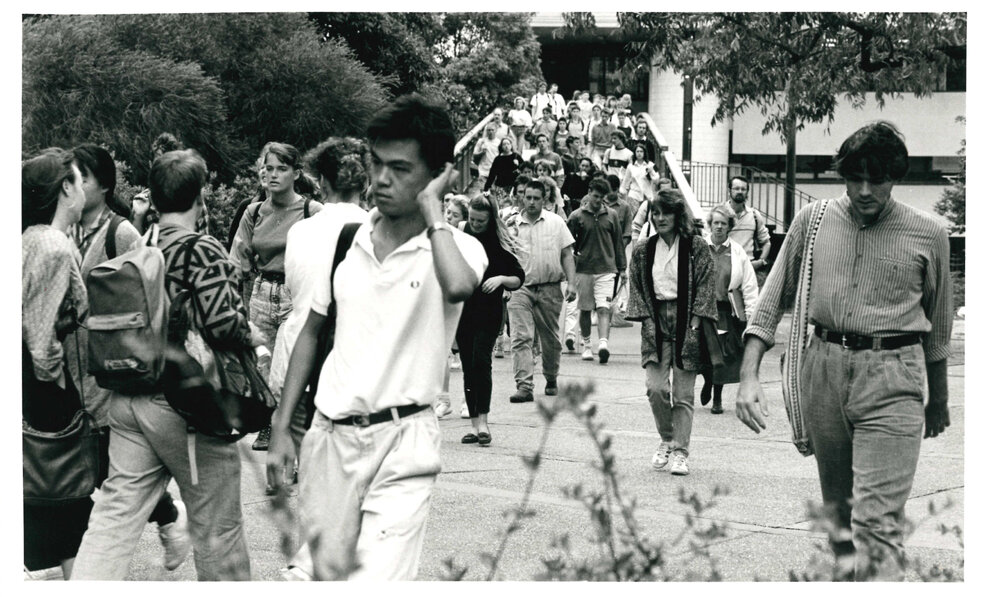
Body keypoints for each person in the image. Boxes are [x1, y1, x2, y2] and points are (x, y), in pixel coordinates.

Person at [266, 94, 487, 580]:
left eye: (400, 169)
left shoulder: (458, 248)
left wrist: (435, 213)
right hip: (329, 438)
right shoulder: (349, 239)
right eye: (376, 163)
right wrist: (283, 426)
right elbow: (312, 331)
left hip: (404, 441)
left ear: (436, 175)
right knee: (321, 577)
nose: (381, 179)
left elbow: (459, 286)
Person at [736, 122, 953, 580]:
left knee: (875, 527)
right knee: (840, 524)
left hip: (893, 378)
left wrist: (939, 401)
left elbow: (938, 329)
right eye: (854, 179)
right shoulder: (812, 222)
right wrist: (749, 376)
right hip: (825, 371)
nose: (864, 190)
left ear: (896, 176)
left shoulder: (928, 233)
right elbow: (771, 299)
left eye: (877, 179)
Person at [73, 149, 257, 580]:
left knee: (113, 519)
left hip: (127, 399)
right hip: (183, 407)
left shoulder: (143, 245)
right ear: (199, 197)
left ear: (153, 197)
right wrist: (255, 335)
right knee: (218, 529)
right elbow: (225, 324)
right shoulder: (203, 249)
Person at [65, 144, 190, 571]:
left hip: (112, 365)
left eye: (81, 177)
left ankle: (169, 517)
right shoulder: (65, 230)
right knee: (97, 468)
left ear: (103, 184)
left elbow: (145, 302)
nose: (74, 186)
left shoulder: (122, 233)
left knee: (109, 468)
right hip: (73, 365)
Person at [270, 136, 370, 460]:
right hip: (355, 370)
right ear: (366, 183)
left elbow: (295, 291)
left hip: (299, 362)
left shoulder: (299, 233)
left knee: (310, 475)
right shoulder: (377, 231)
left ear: (322, 182)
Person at [22, 148, 91, 579]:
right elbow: (41, 331)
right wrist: (56, 394)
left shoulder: (30, 237)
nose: (84, 188)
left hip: (34, 382)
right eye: (80, 181)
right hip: (43, 387)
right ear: (66, 188)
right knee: (67, 497)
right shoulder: (52, 245)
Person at [230, 142, 323, 452]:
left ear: (296, 173)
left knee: (289, 369)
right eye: (268, 168)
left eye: (281, 169)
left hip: (295, 294)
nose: (272, 175)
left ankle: (289, 434)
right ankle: (270, 425)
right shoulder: (254, 211)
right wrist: (236, 306)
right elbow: (237, 261)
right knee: (262, 369)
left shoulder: (311, 211)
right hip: (261, 292)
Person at [626, 189, 717, 476]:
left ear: (679, 215)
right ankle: (667, 437)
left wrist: (695, 323)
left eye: (666, 212)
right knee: (655, 388)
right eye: (655, 212)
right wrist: (647, 319)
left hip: (686, 318)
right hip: (656, 319)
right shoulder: (643, 249)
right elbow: (637, 286)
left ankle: (680, 451)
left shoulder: (696, 246)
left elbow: (706, 285)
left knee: (683, 393)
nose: (660, 217)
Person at [456, 194, 525, 445]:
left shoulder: (499, 240)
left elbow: (518, 277)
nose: (475, 223)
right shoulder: (461, 233)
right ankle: (474, 425)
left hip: (488, 310)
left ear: (491, 219)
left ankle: (483, 422)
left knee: (480, 361)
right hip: (463, 309)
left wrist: (501, 280)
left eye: (480, 220)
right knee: (467, 365)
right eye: (472, 219)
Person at [507, 179, 577, 402]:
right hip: (520, 288)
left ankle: (551, 376)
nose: (531, 202)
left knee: (550, 338)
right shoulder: (511, 225)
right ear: (521, 197)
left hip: (550, 287)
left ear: (544, 199)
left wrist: (572, 284)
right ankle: (524, 385)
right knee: (521, 337)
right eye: (527, 197)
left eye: (536, 198)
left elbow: (567, 254)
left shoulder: (556, 223)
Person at [700, 205, 758, 414]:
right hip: (701, 310)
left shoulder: (737, 252)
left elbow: (749, 284)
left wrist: (751, 314)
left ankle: (717, 398)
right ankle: (707, 380)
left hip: (723, 310)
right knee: (702, 352)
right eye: (715, 223)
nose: (718, 227)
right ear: (710, 224)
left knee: (721, 355)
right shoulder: (699, 247)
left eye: (723, 224)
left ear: (729, 227)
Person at [567, 179, 627, 363]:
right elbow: (568, 244)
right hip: (583, 269)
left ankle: (603, 345)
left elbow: (618, 243)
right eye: (595, 196)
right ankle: (586, 346)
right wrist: (570, 266)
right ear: (589, 193)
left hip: (606, 269)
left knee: (603, 308)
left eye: (601, 197)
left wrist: (622, 268)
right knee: (585, 309)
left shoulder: (612, 215)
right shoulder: (576, 216)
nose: (598, 200)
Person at [726, 175, 771, 286]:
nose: (740, 191)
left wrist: (760, 262)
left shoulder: (755, 215)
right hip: (725, 268)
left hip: (748, 268)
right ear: (729, 191)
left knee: (749, 302)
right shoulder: (720, 213)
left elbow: (766, 242)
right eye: (736, 188)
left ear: (747, 192)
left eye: (743, 189)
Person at [587, 106, 617, 170]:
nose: (604, 118)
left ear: (609, 117)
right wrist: (588, 156)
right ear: (601, 116)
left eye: (606, 117)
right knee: (597, 168)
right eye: (603, 116)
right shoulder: (595, 127)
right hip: (598, 150)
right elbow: (592, 143)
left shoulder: (613, 127)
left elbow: (615, 141)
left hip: (609, 150)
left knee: (608, 169)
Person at [473, 123, 502, 188]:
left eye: (492, 130)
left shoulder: (499, 143)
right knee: (484, 193)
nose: (490, 132)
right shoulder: (481, 141)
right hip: (483, 171)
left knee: (493, 193)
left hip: (494, 172)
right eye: (489, 130)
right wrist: (481, 152)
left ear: (496, 131)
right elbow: (474, 154)